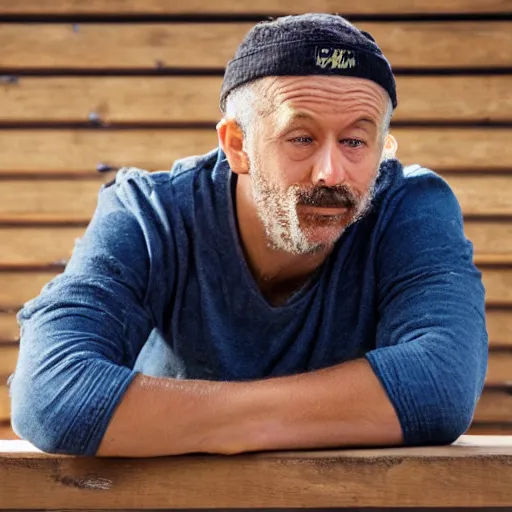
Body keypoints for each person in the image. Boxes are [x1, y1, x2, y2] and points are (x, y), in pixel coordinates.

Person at [9, 13, 487, 457]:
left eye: (355, 141)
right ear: (237, 146)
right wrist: (273, 423)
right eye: (301, 138)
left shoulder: (409, 207)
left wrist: (217, 425)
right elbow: (52, 392)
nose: (331, 172)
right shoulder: (150, 214)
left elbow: (442, 382)